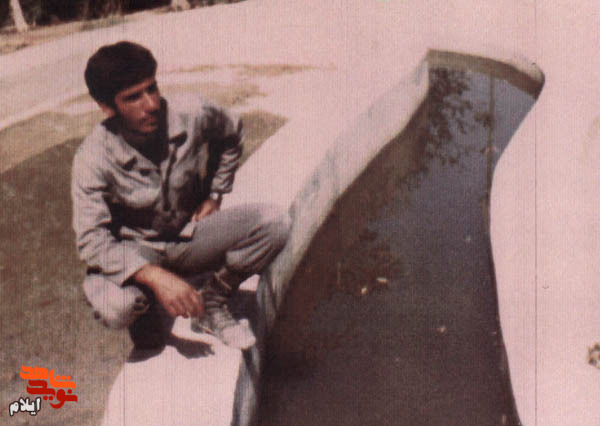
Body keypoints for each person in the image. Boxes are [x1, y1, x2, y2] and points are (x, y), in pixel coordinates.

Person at [72, 41, 290, 351]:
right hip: (139, 249)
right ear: (107, 108)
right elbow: (92, 241)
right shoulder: (92, 157)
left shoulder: (191, 111)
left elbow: (231, 134)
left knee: (274, 223)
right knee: (117, 307)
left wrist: (215, 193)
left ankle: (212, 301)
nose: (151, 104)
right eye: (133, 97)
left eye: (152, 88)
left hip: (188, 236)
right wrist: (154, 277)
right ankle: (145, 307)